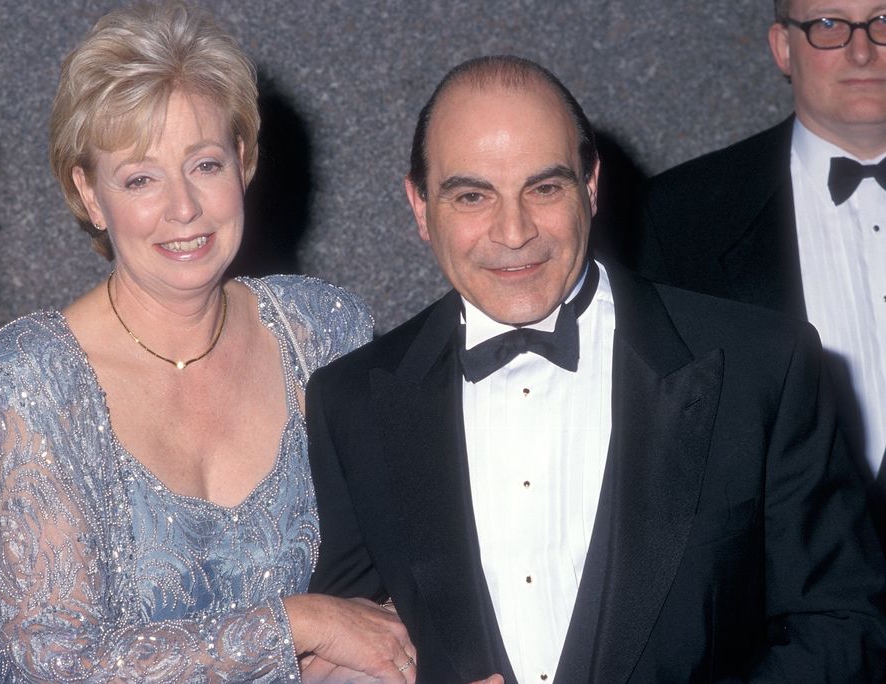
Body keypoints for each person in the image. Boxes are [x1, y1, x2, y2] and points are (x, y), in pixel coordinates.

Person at [306, 55, 886, 682]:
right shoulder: (352, 403)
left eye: (545, 188)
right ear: (420, 207)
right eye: (472, 196)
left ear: (590, 186)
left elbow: (844, 627)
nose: (514, 231)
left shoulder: (762, 366)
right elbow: (350, 647)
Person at [0, 3, 416, 682]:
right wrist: (302, 623)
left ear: (243, 160)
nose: (184, 209)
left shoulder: (323, 331)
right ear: (89, 192)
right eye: (141, 178)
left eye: (204, 164)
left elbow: (404, 565)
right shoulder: (23, 382)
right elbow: (56, 667)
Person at [636, 0, 886, 493]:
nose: (862, 51)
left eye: (885, 20)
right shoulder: (675, 219)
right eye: (829, 24)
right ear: (783, 48)